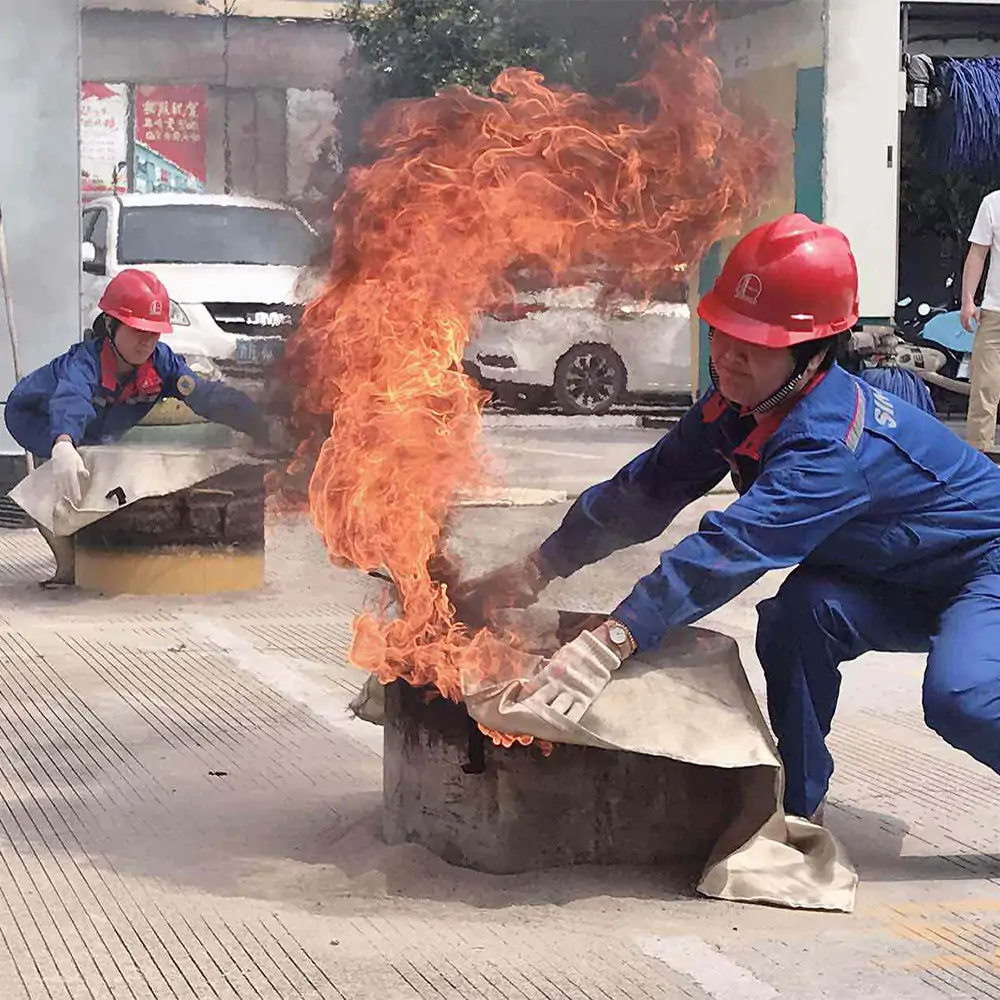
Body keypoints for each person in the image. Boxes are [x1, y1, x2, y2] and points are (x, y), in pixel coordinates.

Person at [455, 213, 1000, 823]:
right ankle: (795, 812)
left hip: (986, 569)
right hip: (899, 572)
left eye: (757, 345)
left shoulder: (830, 446)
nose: (730, 358)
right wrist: (535, 570)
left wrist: (615, 637)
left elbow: (730, 548)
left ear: (814, 352)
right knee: (798, 620)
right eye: (722, 334)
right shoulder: (739, 403)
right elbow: (646, 490)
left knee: (962, 698)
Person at [5, 268, 275, 586]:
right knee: (56, 480)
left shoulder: (162, 363)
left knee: (96, 466)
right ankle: (66, 567)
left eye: (154, 332)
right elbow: (71, 400)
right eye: (136, 330)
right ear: (110, 325)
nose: (146, 341)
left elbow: (208, 397)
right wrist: (62, 442)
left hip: (97, 425)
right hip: (36, 416)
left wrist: (261, 426)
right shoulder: (84, 364)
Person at [961, 188, 1000, 452]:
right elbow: (977, 253)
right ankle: (979, 455)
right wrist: (967, 300)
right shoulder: (993, 203)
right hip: (995, 310)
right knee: (984, 387)